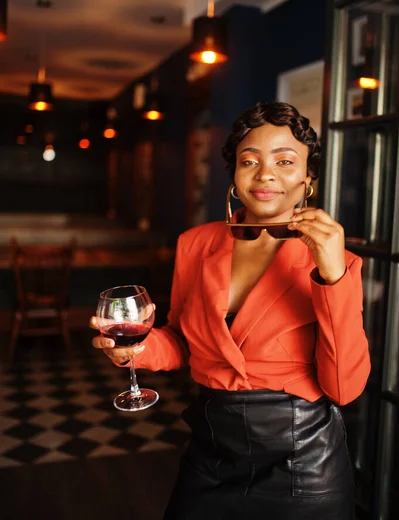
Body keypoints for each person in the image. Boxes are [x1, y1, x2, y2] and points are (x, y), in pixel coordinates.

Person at [91, 102, 371, 520]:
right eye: (249, 160)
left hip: (302, 464)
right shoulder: (196, 243)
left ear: (307, 177)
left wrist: (332, 278)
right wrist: (138, 350)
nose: (265, 173)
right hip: (211, 452)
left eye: (285, 160)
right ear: (235, 175)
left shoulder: (337, 260)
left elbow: (345, 388)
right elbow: (182, 340)